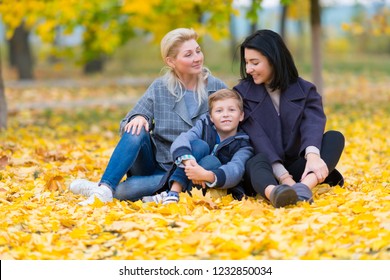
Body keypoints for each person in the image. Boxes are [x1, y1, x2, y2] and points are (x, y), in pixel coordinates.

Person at [69, 28, 227, 205]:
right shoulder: (160, 87)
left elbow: (232, 126)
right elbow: (125, 126)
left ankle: (102, 189)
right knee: (135, 128)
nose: (197, 58)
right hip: (154, 164)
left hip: (190, 169)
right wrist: (138, 117)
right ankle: (106, 188)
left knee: (205, 155)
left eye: (198, 51)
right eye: (188, 54)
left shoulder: (216, 88)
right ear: (171, 61)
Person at [233, 29, 345, 208]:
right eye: (246, 63)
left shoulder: (305, 89)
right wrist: (284, 178)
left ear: (274, 59)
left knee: (334, 137)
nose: (248, 69)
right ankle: (280, 192)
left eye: (254, 62)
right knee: (255, 160)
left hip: (299, 167)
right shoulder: (242, 94)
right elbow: (257, 138)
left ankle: (303, 188)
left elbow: (313, 124)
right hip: (265, 172)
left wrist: (313, 156)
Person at [142, 88, 254, 204]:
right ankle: (173, 193)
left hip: (215, 187)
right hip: (188, 174)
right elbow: (183, 139)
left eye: (231, 110)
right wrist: (187, 160)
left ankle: (177, 196)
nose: (225, 115)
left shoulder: (243, 144)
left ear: (241, 115)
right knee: (199, 145)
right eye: (219, 111)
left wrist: (205, 175)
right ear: (211, 117)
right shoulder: (205, 125)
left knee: (211, 161)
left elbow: (235, 170)